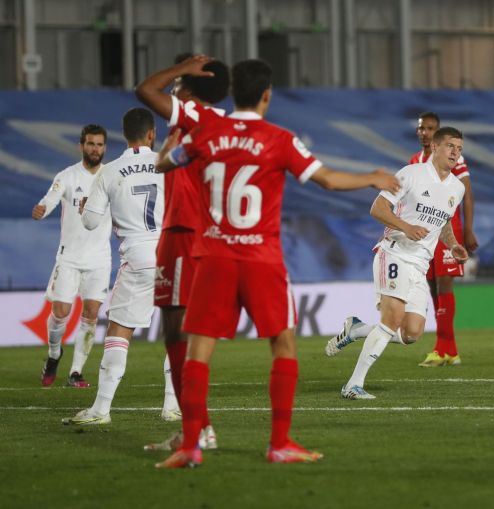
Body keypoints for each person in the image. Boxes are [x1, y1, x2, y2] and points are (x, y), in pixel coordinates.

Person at [153, 59, 400, 468]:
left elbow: (164, 164)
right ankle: (280, 443)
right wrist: (372, 176)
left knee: (198, 352)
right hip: (261, 259)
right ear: (267, 95)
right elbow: (328, 180)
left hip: (214, 256)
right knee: (283, 345)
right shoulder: (279, 139)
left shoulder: (206, 133)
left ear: (234, 91)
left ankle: (191, 446)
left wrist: (180, 147)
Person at [328, 126, 468, 400]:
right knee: (391, 320)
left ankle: (356, 329)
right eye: (451, 146)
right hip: (395, 254)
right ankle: (353, 385)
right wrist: (405, 226)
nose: (455, 153)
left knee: (412, 333)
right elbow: (377, 208)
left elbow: (445, 221)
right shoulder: (411, 174)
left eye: (460, 149)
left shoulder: (457, 188)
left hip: (419, 265)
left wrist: (452, 244)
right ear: (436, 147)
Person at [136, 53, 229, 450]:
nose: (172, 89)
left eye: (179, 83)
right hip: (207, 235)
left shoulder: (191, 113)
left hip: (183, 231)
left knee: (176, 333)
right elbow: (162, 165)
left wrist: (179, 68)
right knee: (187, 333)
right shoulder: (217, 124)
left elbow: (144, 90)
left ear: (190, 87)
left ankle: (198, 429)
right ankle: (197, 426)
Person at [62, 108, 167, 425]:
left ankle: (101, 410)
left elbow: (92, 222)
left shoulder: (109, 171)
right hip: (173, 254)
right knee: (180, 331)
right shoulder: (169, 162)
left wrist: (84, 207)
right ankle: (172, 406)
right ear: (151, 134)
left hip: (137, 256)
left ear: (125, 135)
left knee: (120, 330)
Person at [33, 125, 111, 388]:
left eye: (100, 145)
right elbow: (50, 199)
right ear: (81, 146)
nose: (95, 149)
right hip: (69, 257)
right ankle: (54, 354)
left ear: (105, 148)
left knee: (91, 314)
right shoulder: (67, 176)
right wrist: (42, 210)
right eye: (90, 144)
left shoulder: (111, 176)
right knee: (60, 313)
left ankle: (76, 372)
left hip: (99, 259)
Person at [408, 112, 478, 367]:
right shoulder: (416, 161)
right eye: (421, 128)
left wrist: (468, 230)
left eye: (429, 128)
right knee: (433, 289)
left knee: (445, 286)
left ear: (437, 136)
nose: (424, 133)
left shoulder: (455, 159)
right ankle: (451, 350)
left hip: (449, 229)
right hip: (426, 234)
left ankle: (441, 348)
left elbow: (467, 194)